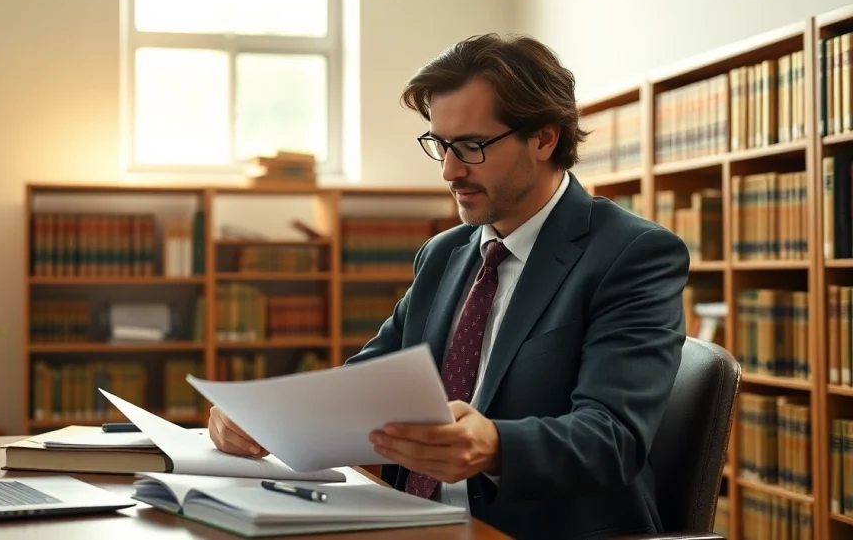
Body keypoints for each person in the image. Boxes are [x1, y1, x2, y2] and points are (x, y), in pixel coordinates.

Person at [207, 33, 691, 540]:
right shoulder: (445, 254)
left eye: (472, 146)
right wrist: (265, 415)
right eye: (440, 144)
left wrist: (496, 445)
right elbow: (365, 384)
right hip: (410, 520)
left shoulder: (632, 255)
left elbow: (612, 438)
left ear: (545, 139)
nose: (448, 170)